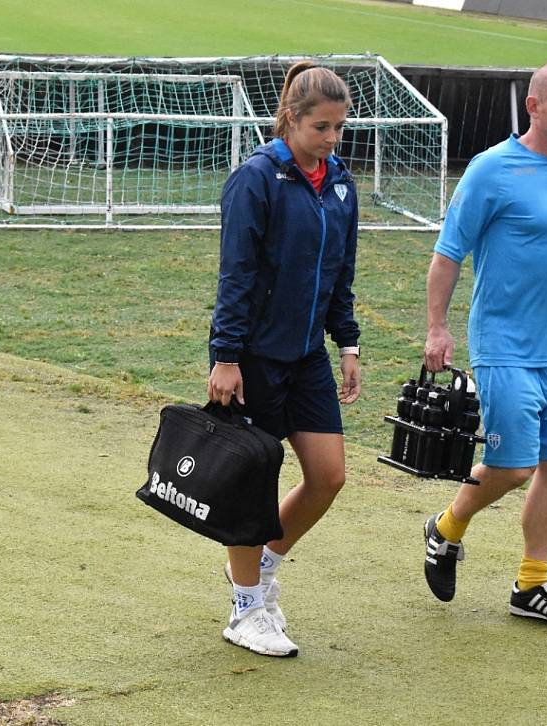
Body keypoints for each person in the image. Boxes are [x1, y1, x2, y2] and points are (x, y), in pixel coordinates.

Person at [422, 62, 547, 629]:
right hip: (503, 344)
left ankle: (531, 585)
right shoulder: (491, 171)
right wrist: (438, 327)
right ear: (533, 107)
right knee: (512, 466)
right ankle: (446, 528)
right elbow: (448, 253)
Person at [207, 60, 361, 657]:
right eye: (321, 127)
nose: (331, 139)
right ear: (290, 119)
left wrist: (346, 343)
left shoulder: (341, 183)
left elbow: (340, 275)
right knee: (252, 489)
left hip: (307, 359)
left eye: (339, 128)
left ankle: (262, 567)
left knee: (328, 477)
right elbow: (236, 274)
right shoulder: (257, 179)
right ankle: (246, 610)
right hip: (252, 360)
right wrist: (226, 357)